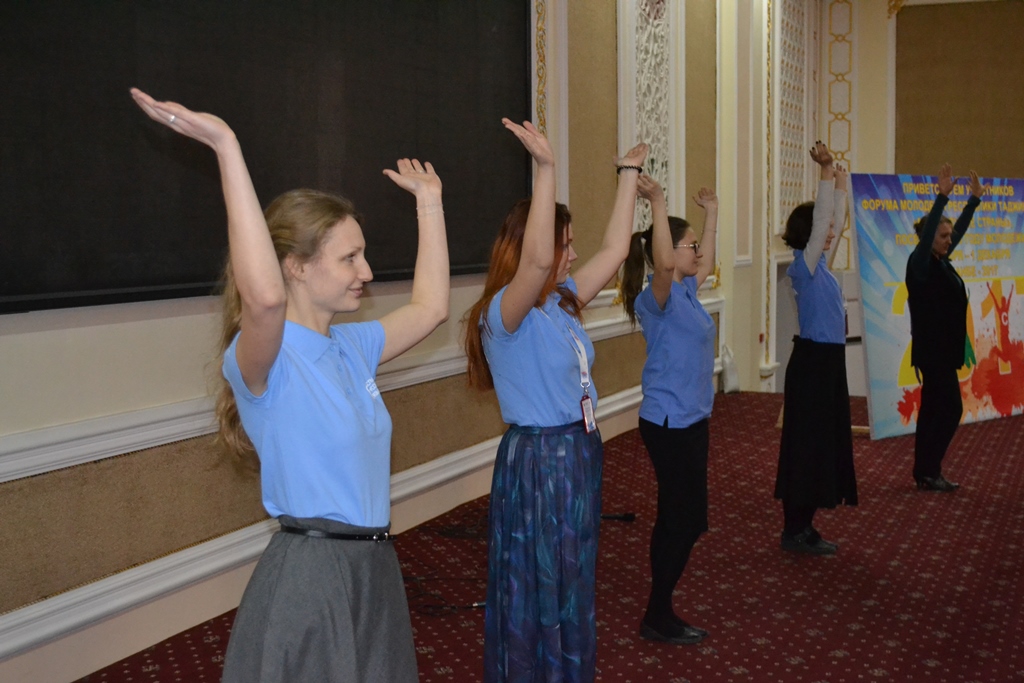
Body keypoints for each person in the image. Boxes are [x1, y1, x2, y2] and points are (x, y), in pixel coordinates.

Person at [131, 88, 449, 682]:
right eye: (349, 258)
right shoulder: (264, 359)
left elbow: (431, 307)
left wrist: (430, 206)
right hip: (312, 574)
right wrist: (227, 146)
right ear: (297, 266)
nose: (366, 271)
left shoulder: (351, 347)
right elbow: (265, 300)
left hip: (372, 564)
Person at [464, 119, 647, 682]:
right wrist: (546, 168)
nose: (571, 254)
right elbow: (538, 263)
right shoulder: (504, 314)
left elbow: (616, 249)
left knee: (572, 582)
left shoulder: (559, 303)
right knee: (541, 583)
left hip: (577, 454)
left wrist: (629, 173)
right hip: (540, 462)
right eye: (565, 243)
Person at [620, 175, 718, 645]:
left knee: (686, 518)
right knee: (681, 518)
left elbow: (706, 262)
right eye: (690, 246)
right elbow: (662, 262)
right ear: (670, 252)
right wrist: (657, 202)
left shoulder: (688, 291)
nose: (697, 252)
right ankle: (658, 613)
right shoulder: (654, 299)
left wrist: (711, 213)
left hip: (692, 420)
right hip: (667, 422)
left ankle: (660, 609)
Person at [775, 142, 858, 555]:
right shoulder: (802, 268)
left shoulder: (820, 266)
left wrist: (840, 185)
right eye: (821, 231)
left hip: (827, 365)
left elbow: (834, 222)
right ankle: (794, 529)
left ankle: (804, 526)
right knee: (806, 447)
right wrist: (825, 173)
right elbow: (826, 219)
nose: (830, 234)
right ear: (808, 234)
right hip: (812, 365)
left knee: (821, 444)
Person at [906, 164, 984, 492]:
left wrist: (973, 202)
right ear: (928, 239)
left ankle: (926, 471)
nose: (949, 240)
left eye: (949, 236)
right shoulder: (920, 264)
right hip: (933, 352)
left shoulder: (941, 261)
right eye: (942, 236)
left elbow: (956, 232)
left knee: (934, 410)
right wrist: (942, 197)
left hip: (942, 351)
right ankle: (929, 469)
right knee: (949, 409)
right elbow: (930, 239)